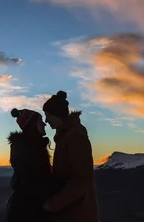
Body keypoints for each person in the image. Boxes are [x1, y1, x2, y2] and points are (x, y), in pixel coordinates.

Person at [42, 90, 99, 222]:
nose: (46, 120)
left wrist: (55, 203)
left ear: (57, 115)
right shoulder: (65, 136)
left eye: (48, 115)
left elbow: (82, 179)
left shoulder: (75, 136)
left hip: (79, 212)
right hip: (70, 209)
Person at [6, 108, 52, 222]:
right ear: (32, 126)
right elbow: (33, 185)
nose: (44, 124)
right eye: (40, 121)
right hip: (28, 212)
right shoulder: (29, 150)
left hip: (25, 209)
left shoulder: (29, 147)